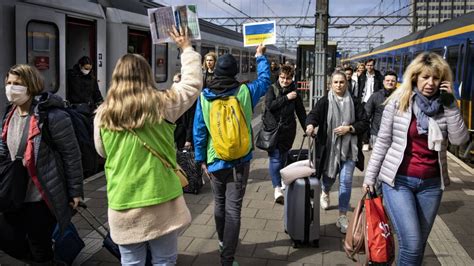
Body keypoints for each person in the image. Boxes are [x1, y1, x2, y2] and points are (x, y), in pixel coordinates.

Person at [93, 26, 201, 265]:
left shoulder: (103, 115)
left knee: (131, 261)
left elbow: (102, 152)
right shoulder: (163, 104)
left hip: (123, 199)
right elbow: (192, 84)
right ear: (147, 75)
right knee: (164, 260)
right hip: (161, 197)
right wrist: (186, 48)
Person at [363, 52, 469, 265]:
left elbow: (459, 139)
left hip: (431, 185)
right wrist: (369, 178)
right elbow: (383, 141)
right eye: (425, 77)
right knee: (411, 244)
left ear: (443, 81)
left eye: (436, 78)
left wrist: (451, 105)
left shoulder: (444, 107)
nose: (430, 83)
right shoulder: (398, 102)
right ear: (414, 78)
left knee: (418, 246)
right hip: (398, 181)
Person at [193, 44, 270, 266]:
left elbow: (199, 131)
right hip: (240, 160)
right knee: (233, 209)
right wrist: (259, 57)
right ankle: (228, 258)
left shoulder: (204, 98)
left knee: (219, 203)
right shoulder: (245, 92)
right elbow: (265, 80)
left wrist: (201, 160)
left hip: (215, 159)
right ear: (235, 72)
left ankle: (221, 241)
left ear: (215, 71)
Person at [0, 64, 83, 263]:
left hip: (41, 197)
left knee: (40, 246)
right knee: (8, 238)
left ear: (31, 85)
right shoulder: (9, 113)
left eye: (17, 84)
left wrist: (75, 192)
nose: (11, 88)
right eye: (9, 83)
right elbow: (3, 148)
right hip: (14, 193)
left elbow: (71, 155)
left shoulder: (52, 117)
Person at [305, 71, 369, 234]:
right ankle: (325, 191)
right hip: (329, 150)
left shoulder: (354, 101)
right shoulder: (325, 101)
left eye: (342, 82)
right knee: (328, 179)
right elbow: (313, 115)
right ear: (330, 84)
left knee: (346, 181)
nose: (339, 85)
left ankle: (342, 216)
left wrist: (350, 128)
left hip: (349, 150)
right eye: (336, 82)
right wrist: (311, 125)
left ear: (346, 83)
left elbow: (364, 122)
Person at [263, 64, 306, 203]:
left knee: (283, 156)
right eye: (282, 77)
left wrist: (307, 128)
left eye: (288, 78)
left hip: (288, 130)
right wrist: (287, 98)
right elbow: (270, 105)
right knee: (275, 158)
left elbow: (300, 112)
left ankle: (281, 179)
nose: (284, 81)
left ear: (292, 78)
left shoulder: (295, 91)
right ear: (279, 76)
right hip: (273, 130)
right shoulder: (272, 89)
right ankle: (277, 188)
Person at [365, 71, 398, 147]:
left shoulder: (402, 97)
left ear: (396, 82)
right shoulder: (375, 96)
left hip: (395, 136)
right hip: (377, 134)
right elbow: (366, 115)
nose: (390, 83)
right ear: (383, 82)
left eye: (393, 81)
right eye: (387, 80)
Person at [172, 72, 196, 150]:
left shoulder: (190, 100)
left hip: (185, 134)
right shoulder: (173, 98)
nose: (174, 85)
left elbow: (191, 121)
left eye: (176, 82)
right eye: (173, 82)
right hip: (176, 134)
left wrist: (188, 139)